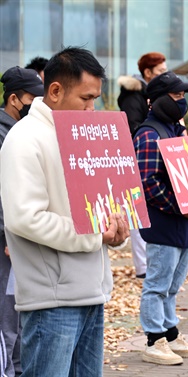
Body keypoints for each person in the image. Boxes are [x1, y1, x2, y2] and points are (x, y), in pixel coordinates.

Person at [0, 47, 130, 377]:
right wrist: (93, 234)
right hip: (51, 302)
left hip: (91, 294)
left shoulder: (82, 135)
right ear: (55, 91)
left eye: (96, 99)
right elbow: (25, 218)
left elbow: (97, 209)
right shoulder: (24, 139)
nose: (92, 108)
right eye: (86, 98)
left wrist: (114, 228)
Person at [134, 71, 188, 365]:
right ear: (159, 99)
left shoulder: (176, 131)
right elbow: (147, 181)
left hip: (184, 224)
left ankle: (170, 333)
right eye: (176, 96)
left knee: (173, 284)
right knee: (157, 283)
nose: (182, 101)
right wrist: (181, 207)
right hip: (165, 223)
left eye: (183, 96)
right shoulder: (149, 134)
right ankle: (154, 340)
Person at [0, 66, 44, 377]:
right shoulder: (4, 134)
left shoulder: (20, 131)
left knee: (16, 310)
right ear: (15, 99)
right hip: (7, 241)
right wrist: (7, 237)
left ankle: (17, 368)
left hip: (16, 237)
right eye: (34, 98)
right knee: (7, 314)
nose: (39, 104)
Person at [118, 51, 167, 279]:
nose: (163, 75)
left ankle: (147, 263)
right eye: (159, 71)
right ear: (147, 73)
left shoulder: (149, 93)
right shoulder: (133, 95)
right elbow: (132, 125)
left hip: (142, 155)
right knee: (137, 210)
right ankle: (143, 266)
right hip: (135, 157)